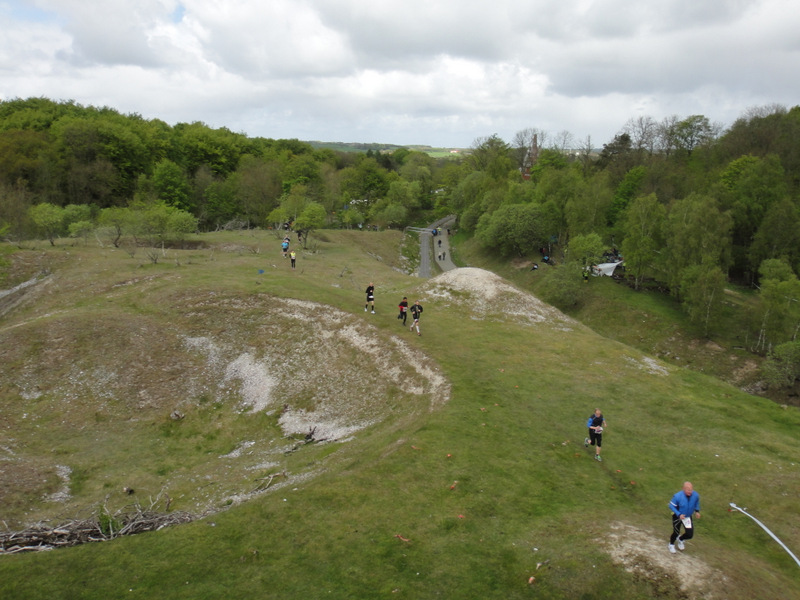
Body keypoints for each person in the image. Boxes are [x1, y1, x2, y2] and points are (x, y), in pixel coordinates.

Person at [668, 482, 701, 554]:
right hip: (678, 516)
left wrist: (697, 511)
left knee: (690, 534)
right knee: (676, 532)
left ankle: (681, 539)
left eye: (691, 490)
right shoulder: (677, 496)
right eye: (688, 490)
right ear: (683, 489)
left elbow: (696, 503)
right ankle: (671, 544)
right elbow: (671, 506)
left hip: (687, 516)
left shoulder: (695, 495)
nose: (690, 492)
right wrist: (678, 514)